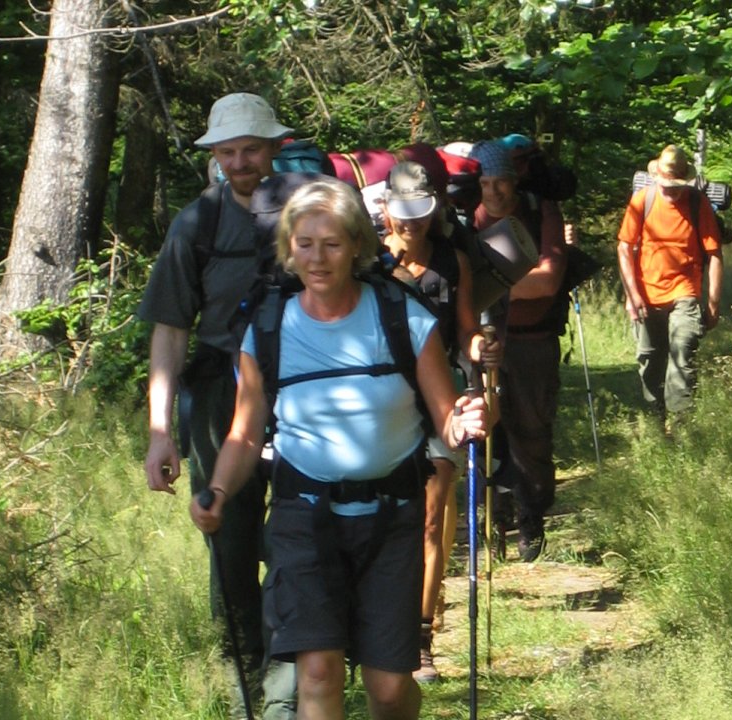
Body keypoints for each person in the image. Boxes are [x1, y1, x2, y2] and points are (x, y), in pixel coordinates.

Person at [190, 180, 487, 719]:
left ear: (356, 245)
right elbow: (246, 432)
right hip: (303, 518)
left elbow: (446, 418)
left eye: (331, 244)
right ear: (288, 248)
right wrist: (217, 491)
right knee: (318, 671)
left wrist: (465, 421)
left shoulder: (402, 316)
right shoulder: (268, 326)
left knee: (389, 688)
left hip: (392, 517)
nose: (317, 258)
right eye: (304, 244)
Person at [137, 92, 297, 719]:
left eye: (250, 149)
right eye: (227, 151)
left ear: (274, 148)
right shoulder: (195, 224)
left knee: (299, 535)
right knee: (226, 534)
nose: (238, 162)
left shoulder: (306, 209)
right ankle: (244, 683)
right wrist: (160, 431)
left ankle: (290, 685)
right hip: (218, 395)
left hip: (301, 388)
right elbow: (171, 330)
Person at [379, 160, 502, 682]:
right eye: (403, 212)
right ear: (386, 209)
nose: (411, 222)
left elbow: (467, 327)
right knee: (388, 520)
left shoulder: (454, 262)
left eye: (420, 212)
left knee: (432, 516)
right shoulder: (369, 261)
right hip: (384, 398)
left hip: (443, 395)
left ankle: (420, 635)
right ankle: (381, 624)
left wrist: (480, 346)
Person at [469, 140, 567, 563]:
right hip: (481, 342)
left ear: (515, 181)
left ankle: (532, 517)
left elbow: (548, 281)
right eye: (484, 184)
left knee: (532, 432)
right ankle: (495, 517)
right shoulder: (467, 218)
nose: (493, 192)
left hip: (532, 342)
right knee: (484, 431)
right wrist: (512, 281)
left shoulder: (540, 212)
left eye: (500, 182)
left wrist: (483, 284)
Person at [617, 144, 725, 424]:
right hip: (646, 294)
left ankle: (680, 426)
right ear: (656, 177)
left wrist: (713, 303)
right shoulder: (642, 200)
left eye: (676, 185)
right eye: (666, 183)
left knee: (682, 354)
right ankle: (656, 422)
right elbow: (624, 248)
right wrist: (632, 295)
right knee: (649, 360)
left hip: (685, 292)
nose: (670, 190)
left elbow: (714, 254)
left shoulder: (697, 204)